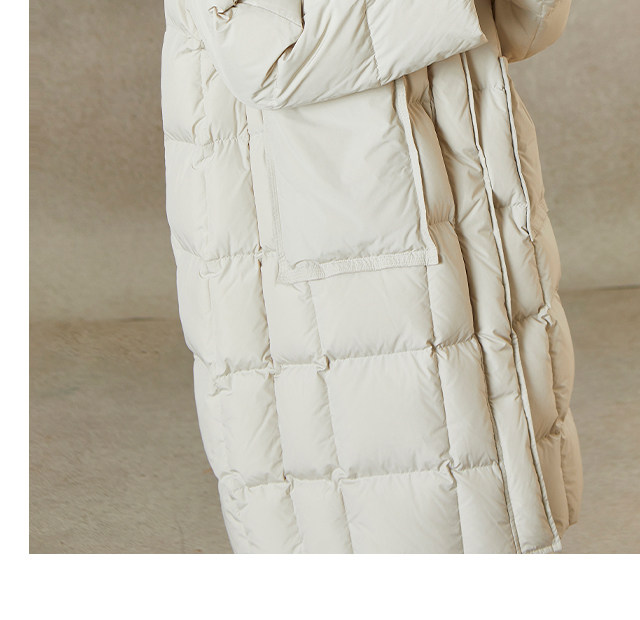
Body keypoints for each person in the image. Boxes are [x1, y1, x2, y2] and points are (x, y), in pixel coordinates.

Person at [162, 0, 582, 553]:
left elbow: (517, 27)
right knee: (387, 509)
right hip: (345, 241)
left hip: (465, 208)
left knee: (492, 496)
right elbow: (266, 56)